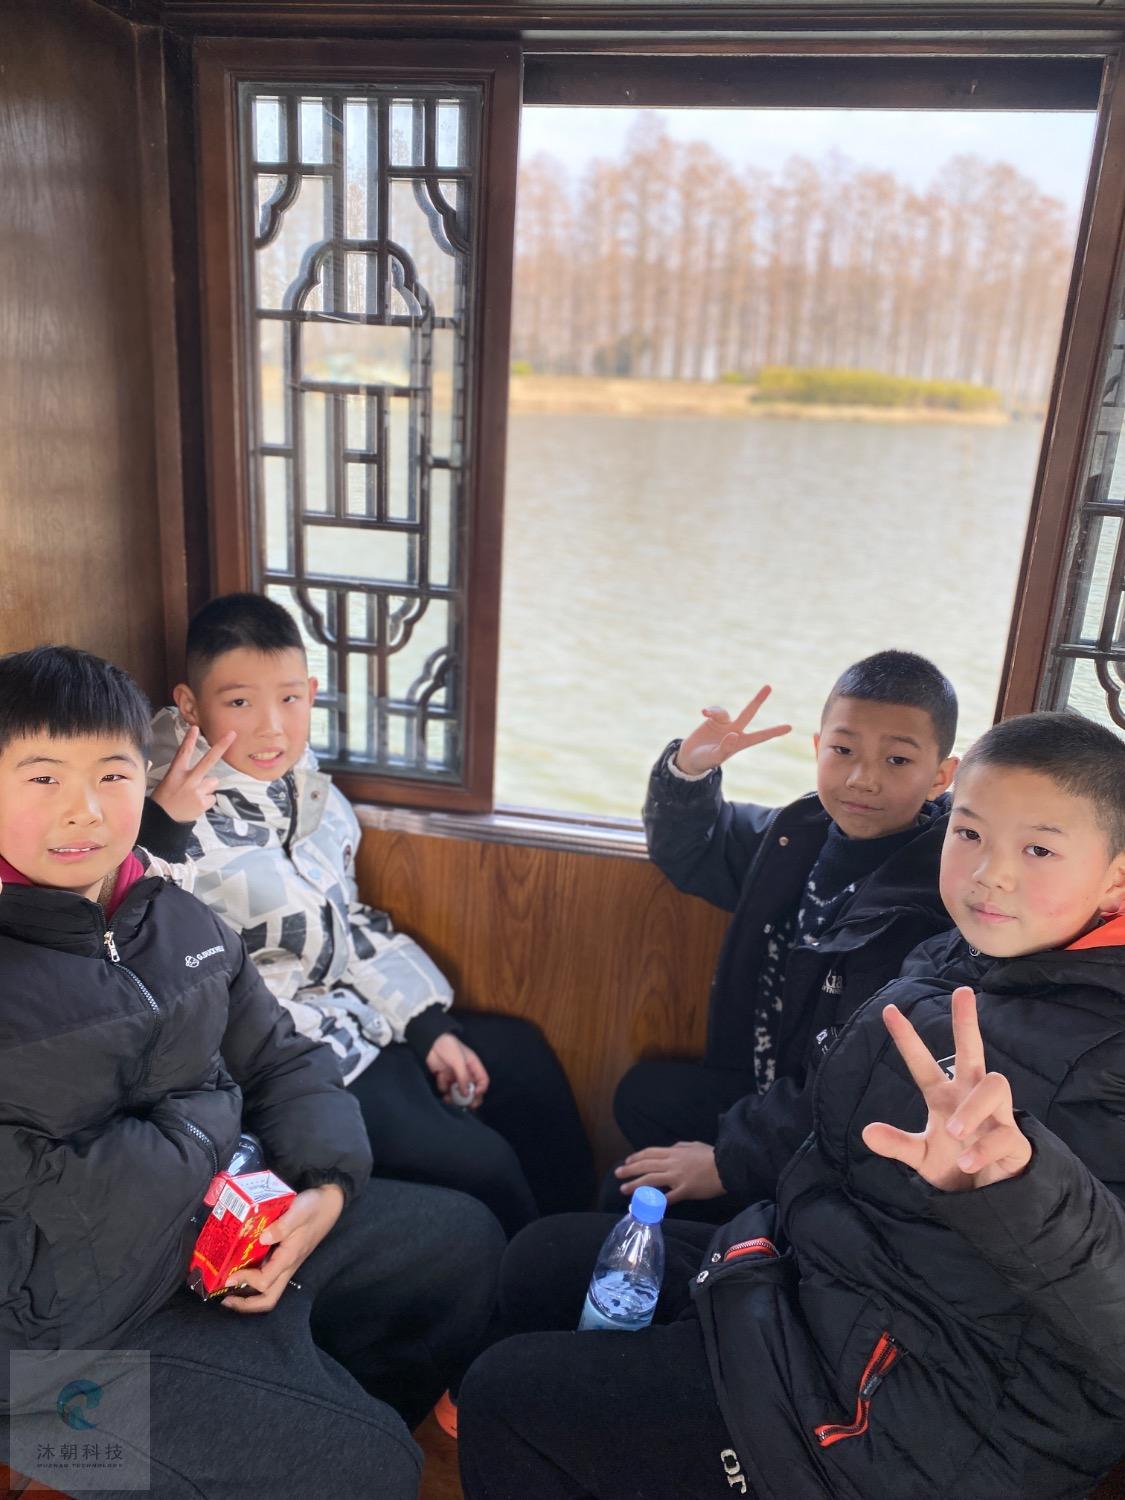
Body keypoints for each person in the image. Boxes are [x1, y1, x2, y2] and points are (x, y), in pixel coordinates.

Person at [459, 709, 1125, 1500]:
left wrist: (1019, 1187)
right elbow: (825, 1101)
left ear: (1115, 877)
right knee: (539, 1262)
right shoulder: (959, 953)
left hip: (915, 1419)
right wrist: (733, 1165)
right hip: (821, 1288)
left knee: (506, 1397)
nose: (990, 874)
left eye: (1037, 849)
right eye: (970, 834)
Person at [0, 645, 505, 1499]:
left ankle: (298, 1413)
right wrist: (219, 1144)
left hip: (210, 1246)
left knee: (462, 1246)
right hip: (56, 1353)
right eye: (44, 778)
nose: (84, 810)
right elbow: (39, 1190)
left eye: (113, 775)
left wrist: (325, 1187)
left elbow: (279, 1055)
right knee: (378, 1469)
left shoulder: (172, 919)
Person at [139, 593, 594, 1236]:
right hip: (282, 1058)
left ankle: (588, 1251)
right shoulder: (160, 825)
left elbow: (345, 920)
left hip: (352, 1014)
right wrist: (161, 831)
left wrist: (425, 1024)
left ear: (311, 693)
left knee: (522, 1062)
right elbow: (140, 947)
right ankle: (533, 1290)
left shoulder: (304, 789)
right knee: (486, 1167)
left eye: (289, 698)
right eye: (240, 703)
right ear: (190, 706)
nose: (272, 728)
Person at [609, 651, 959, 1219]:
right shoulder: (798, 835)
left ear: (941, 775)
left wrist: (725, 1162)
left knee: (616, 1202)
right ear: (818, 747)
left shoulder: (934, 903)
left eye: (897, 759)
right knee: (641, 1096)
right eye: (843, 751)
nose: (862, 778)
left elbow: (859, 1089)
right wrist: (690, 771)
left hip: (829, 1141)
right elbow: (696, 849)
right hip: (766, 1088)